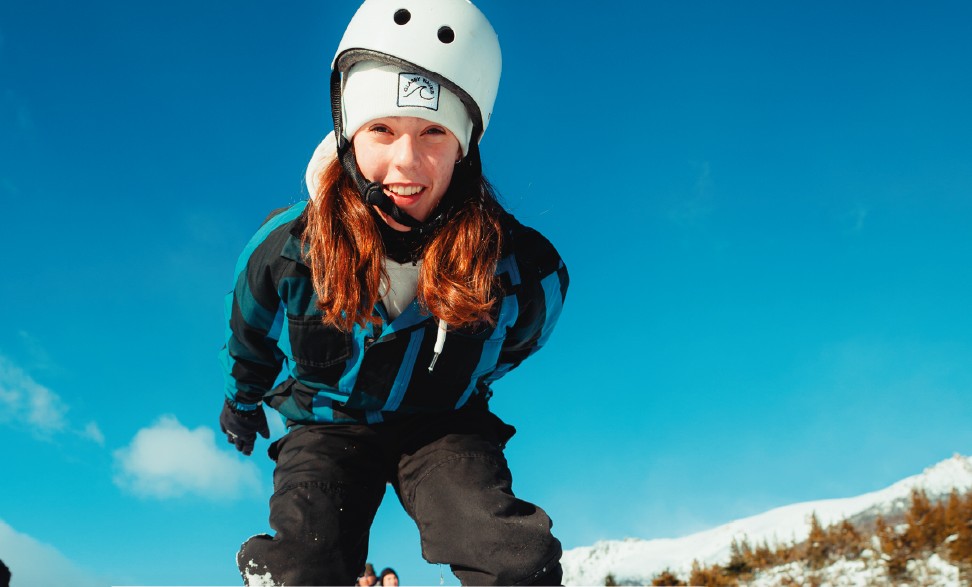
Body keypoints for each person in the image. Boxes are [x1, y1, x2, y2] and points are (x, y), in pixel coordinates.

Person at [219, 0, 569, 585]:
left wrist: (462, 379)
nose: (405, 162)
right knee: (308, 564)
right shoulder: (287, 249)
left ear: (464, 147)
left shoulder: (523, 268)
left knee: (514, 560)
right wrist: (243, 400)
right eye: (381, 128)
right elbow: (250, 334)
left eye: (434, 132)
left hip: (442, 423)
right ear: (349, 134)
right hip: (328, 422)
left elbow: (520, 342)